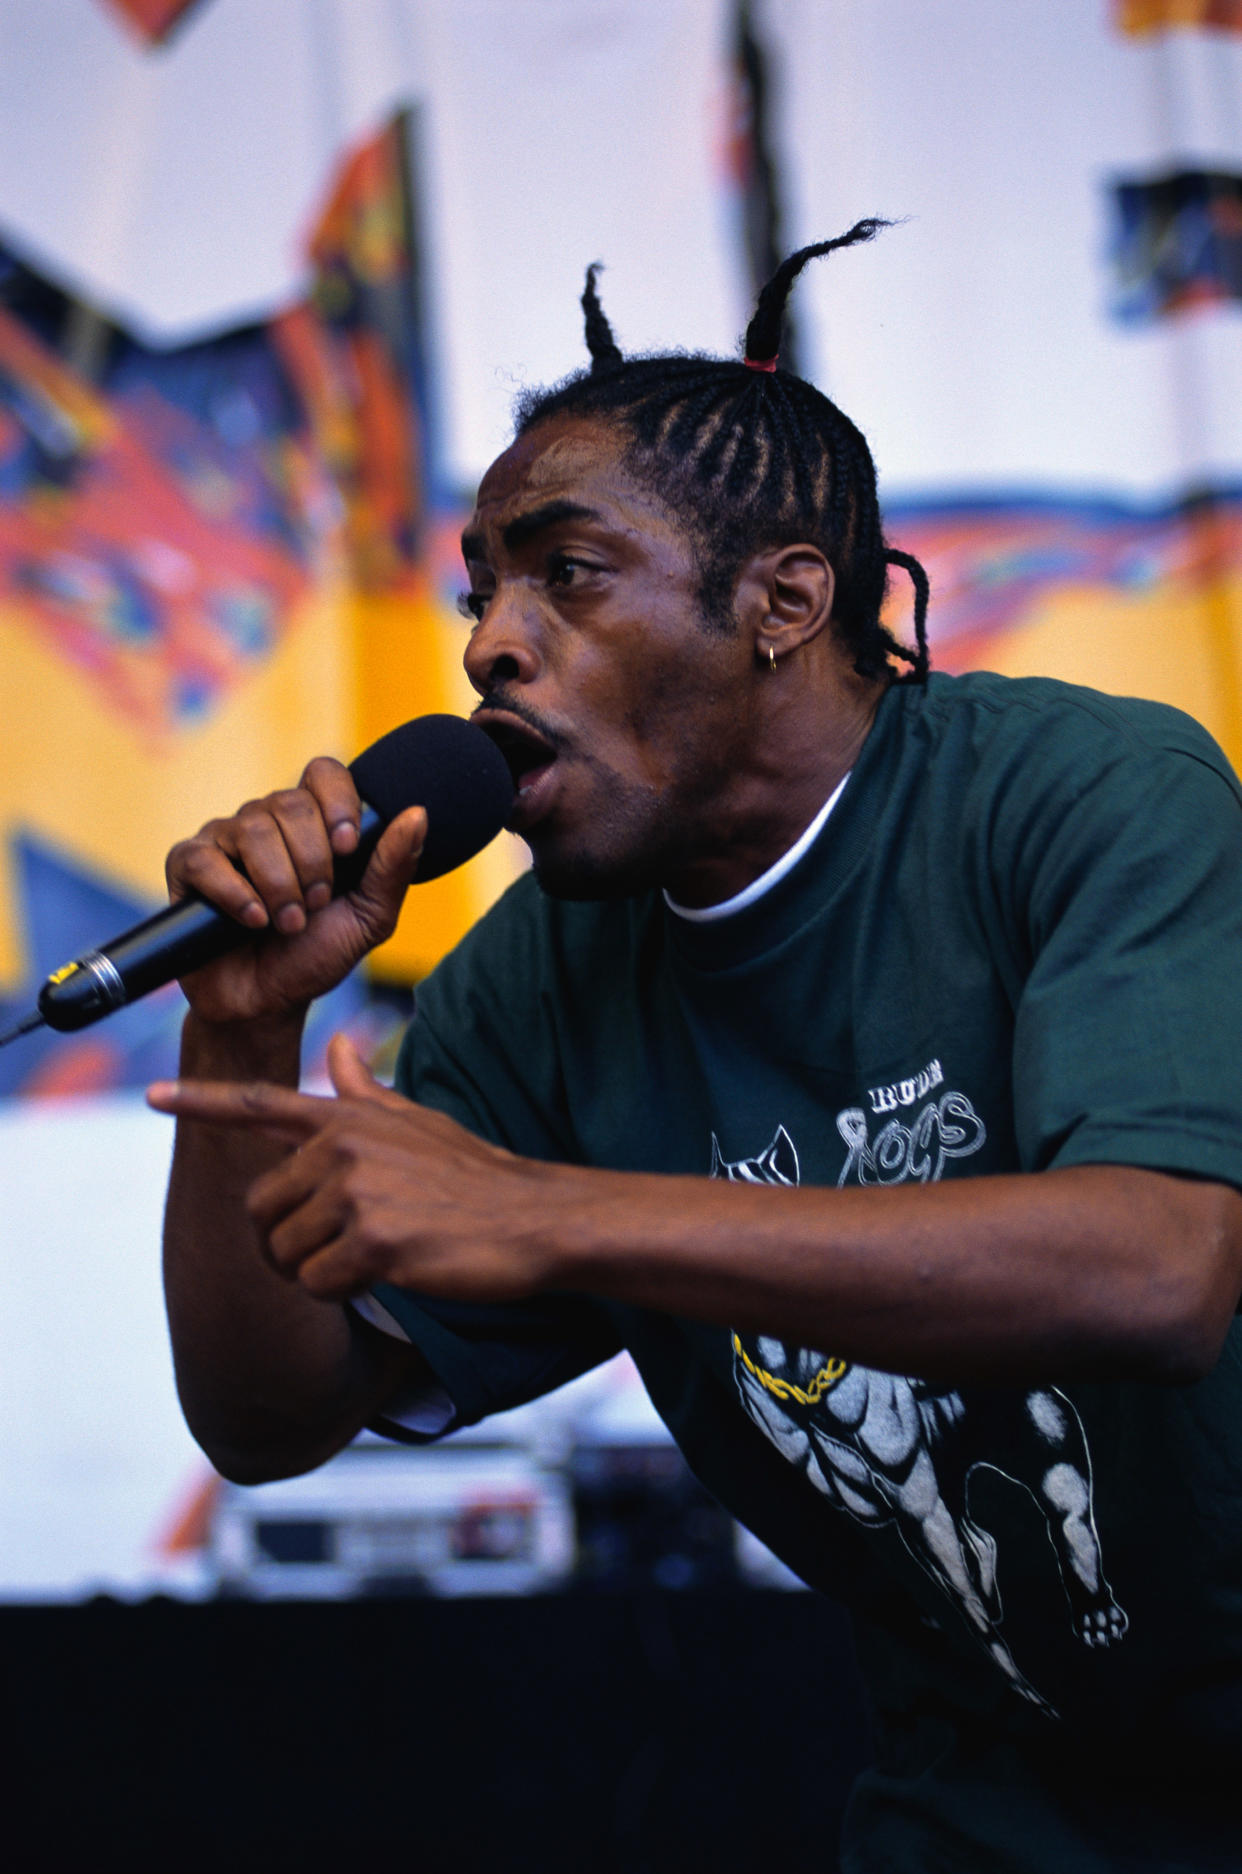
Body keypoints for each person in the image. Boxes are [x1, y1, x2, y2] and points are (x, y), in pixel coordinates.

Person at [150, 224, 1242, 1870]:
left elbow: (1159, 1266)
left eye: (563, 573)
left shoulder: (1080, 793)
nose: (487, 645)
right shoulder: (547, 973)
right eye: (480, 591)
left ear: (784, 601)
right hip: (1005, 1803)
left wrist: (549, 1212)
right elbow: (272, 1412)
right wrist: (242, 1042)